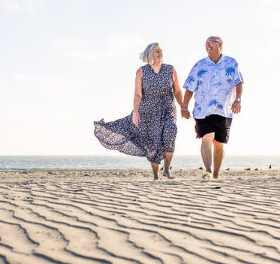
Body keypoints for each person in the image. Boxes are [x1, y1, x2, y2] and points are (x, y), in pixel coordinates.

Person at [94, 43, 185, 180]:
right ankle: (156, 175)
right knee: (153, 143)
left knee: (170, 133)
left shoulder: (170, 69)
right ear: (150, 54)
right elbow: (138, 94)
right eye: (157, 52)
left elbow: (177, 91)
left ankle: (166, 170)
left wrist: (183, 107)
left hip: (167, 109)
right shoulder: (141, 71)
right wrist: (136, 112)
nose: (160, 54)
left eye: (161, 51)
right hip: (147, 112)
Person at [182, 36, 243, 179]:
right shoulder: (199, 65)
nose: (207, 45)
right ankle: (208, 171)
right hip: (203, 110)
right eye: (206, 43)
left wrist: (238, 99)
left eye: (211, 42)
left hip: (224, 109)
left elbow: (239, 82)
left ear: (220, 45)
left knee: (219, 143)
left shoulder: (231, 62)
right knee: (207, 137)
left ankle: (216, 173)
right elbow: (190, 88)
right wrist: (184, 107)